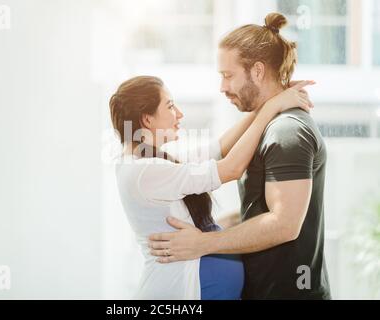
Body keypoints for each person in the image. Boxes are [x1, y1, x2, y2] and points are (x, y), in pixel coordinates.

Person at [148, 12, 331, 300]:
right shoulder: (269, 125)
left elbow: (284, 224)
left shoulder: (286, 132)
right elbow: (260, 208)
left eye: (228, 75)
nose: (222, 87)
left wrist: (204, 243)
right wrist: (206, 226)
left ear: (257, 71)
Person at [110, 72, 313, 299]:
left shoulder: (151, 164)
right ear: (147, 119)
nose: (179, 114)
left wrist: (270, 100)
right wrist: (272, 107)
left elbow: (219, 148)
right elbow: (231, 168)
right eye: (169, 106)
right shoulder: (145, 171)